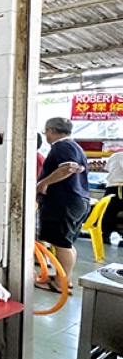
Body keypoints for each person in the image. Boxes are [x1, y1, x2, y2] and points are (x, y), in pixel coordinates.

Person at [36, 117, 89, 292]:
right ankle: (64, 278)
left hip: (64, 201)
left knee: (62, 244)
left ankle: (60, 283)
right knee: (66, 243)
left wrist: (45, 183)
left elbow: (68, 167)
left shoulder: (62, 146)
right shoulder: (75, 146)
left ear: (50, 131)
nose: (46, 136)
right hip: (77, 201)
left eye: (46, 132)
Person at [102, 150, 123, 245]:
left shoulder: (115, 156)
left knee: (108, 213)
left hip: (111, 187)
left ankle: (105, 235)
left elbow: (107, 169)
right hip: (119, 187)